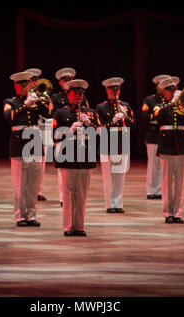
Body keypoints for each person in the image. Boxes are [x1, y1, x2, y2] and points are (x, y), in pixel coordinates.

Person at [3, 71, 52, 227]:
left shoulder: (35, 100)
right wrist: (25, 105)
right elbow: (9, 117)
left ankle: (31, 215)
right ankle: (19, 216)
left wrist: (40, 101)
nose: (25, 87)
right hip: (19, 144)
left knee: (33, 184)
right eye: (22, 84)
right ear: (16, 85)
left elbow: (49, 114)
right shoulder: (10, 101)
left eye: (27, 84)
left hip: (35, 142)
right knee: (20, 184)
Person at [53, 79, 100, 236]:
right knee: (67, 194)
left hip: (86, 157)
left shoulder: (91, 113)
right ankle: (68, 226)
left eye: (81, 94)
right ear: (68, 94)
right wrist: (70, 129)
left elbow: (101, 134)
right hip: (67, 156)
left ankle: (79, 226)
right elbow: (54, 135)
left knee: (81, 194)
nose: (79, 96)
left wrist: (89, 125)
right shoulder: (61, 112)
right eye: (75, 93)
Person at [154, 76, 184, 224]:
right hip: (166, 146)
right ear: (163, 92)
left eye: (174, 89)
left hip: (182, 145)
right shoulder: (160, 106)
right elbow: (157, 116)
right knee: (166, 183)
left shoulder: (183, 106)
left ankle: (178, 213)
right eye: (169, 90)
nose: (172, 92)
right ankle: (167, 213)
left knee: (180, 183)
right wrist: (172, 104)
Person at [96, 77, 134, 213]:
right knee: (108, 176)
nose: (116, 91)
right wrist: (112, 121)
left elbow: (133, 125)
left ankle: (118, 203)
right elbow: (98, 127)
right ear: (107, 90)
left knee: (120, 175)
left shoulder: (126, 105)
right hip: (107, 141)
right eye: (113, 89)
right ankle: (109, 204)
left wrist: (126, 116)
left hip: (122, 140)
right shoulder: (101, 107)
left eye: (118, 89)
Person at [142, 74, 170, 200]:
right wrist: (159, 118)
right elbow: (145, 117)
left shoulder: (168, 101)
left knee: (162, 165)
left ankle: (159, 190)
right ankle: (151, 190)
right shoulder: (150, 100)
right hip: (153, 135)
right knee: (153, 165)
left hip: (164, 135)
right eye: (160, 84)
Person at [24, 67, 49, 202]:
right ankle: (28, 188)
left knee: (41, 162)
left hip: (43, 127)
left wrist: (40, 100)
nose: (35, 82)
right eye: (32, 80)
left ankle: (38, 190)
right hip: (28, 130)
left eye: (36, 79)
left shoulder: (42, 94)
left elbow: (48, 110)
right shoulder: (24, 95)